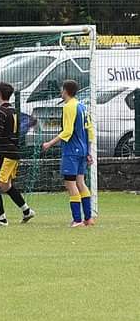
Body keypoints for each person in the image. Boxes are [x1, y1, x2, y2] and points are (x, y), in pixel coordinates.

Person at [0, 82, 35, 226]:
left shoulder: (0, 112)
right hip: (14, 152)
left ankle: (2, 219)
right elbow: (9, 132)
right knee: (5, 185)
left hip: (4, 153)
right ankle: (26, 210)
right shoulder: (14, 111)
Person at [42, 80, 95, 227]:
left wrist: (49, 143)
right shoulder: (82, 106)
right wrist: (89, 151)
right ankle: (89, 218)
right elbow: (90, 131)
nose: (61, 91)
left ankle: (77, 220)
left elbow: (67, 131)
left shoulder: (68, 107)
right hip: (83, 150)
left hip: (71, 151)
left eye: (61, 89)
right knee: (81, 183)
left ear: (65, 91)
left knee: (71, 185)